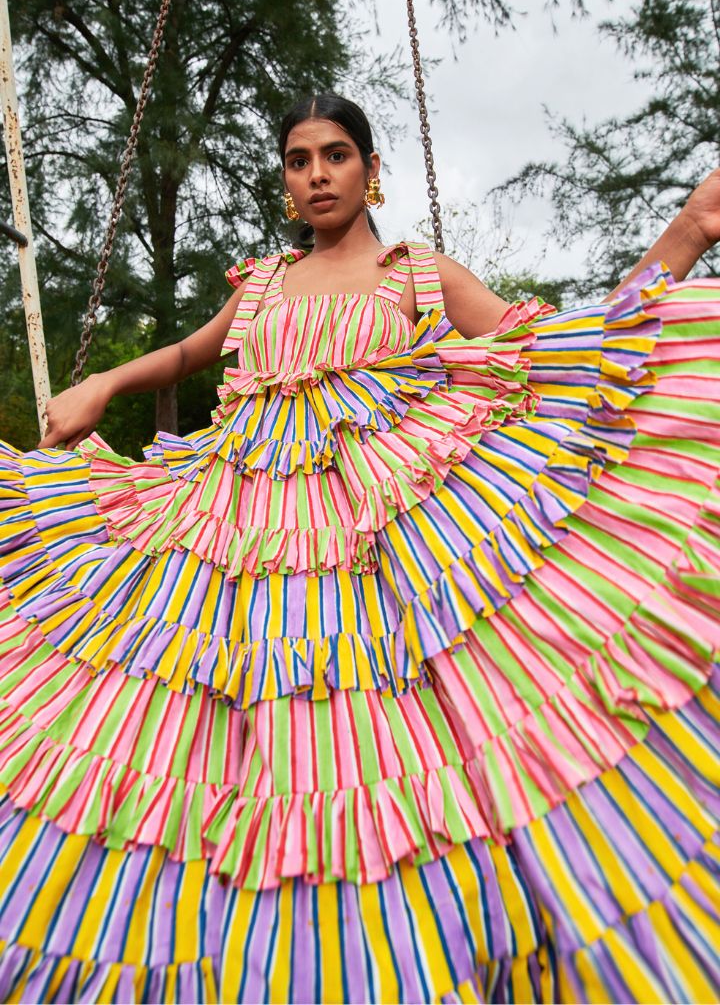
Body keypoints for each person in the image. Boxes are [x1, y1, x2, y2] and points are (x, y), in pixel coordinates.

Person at [0, 91, 718, 1003]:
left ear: (370, 170)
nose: (317, 175)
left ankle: (416, 931)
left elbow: (567, 352)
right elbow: (187, 353)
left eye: (335, 155)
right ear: (287, 184)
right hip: (239, 532)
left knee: (386, 720)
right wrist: (101, 380)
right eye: (299, 161)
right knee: (188, 715)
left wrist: (689, 233)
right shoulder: (261, 283)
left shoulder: (416, 274)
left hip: (379, 529)